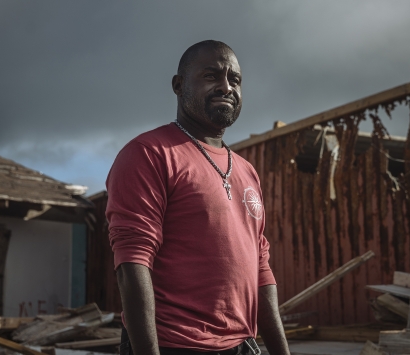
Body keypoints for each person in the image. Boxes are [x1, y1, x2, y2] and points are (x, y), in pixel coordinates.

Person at [106, 40, 290, 355]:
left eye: (235, 80)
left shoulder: (247, 171)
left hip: (241, 346)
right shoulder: (149, 154)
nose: (226, 87)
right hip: (174, 345)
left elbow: (261, 269)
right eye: (211, 76)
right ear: (179, 85)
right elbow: (133, 263)